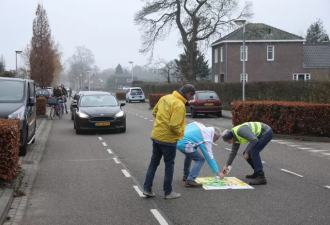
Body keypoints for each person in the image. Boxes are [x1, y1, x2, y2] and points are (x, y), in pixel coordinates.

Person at [143, 84, 196, 199]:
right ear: (188, 94)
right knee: (169, 166)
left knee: (153, 163)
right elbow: (174, 125)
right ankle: (168, 192)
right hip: (168, 140)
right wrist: (180, 134)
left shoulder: (165, 98)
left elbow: (154, 112)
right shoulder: (179, 105)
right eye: (191, 97)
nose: (190, 100)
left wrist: (161, 123)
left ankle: (147, 188)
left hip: (156, 136)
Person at [177, 122, 225, 188]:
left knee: (189, 155)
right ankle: (190, 180)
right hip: (184, 143)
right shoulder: (206, 138)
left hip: (178, 139)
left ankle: (186, 176)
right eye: (217, 138)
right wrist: (217, 172)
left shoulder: (200, 126)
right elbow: (209, 156)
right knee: (200, 160)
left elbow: (190, 125)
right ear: (214, 135)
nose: (216, 141)